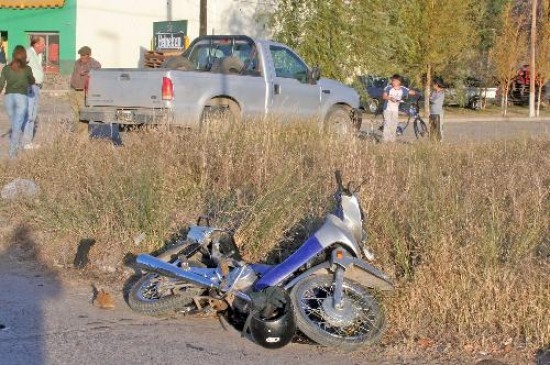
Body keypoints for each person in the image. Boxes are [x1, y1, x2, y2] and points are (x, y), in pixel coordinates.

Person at [0, 45, 35, 158]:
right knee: (17, 126)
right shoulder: (27, 69)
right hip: (21, 97)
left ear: (13, 55)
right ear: (24, 55)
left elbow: (1, 84)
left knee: (15, 124)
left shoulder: (6, 68)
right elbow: (32, 81)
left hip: (9, 98)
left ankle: (16, 147)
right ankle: (12, 154)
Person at [70, 46, 101, 128]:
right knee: (76, 113)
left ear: (89, 55)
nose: (82, 57)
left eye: (84, 55)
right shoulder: (77, 62)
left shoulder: (93, 63)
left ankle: (83, 138)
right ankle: (77, 134)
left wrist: (86, 70)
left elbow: (98, 67)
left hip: (83, 91)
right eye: (81, 55)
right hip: (73, 90)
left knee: (83, 115)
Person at [382, 74, 416, 143]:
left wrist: (415, 93)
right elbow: (384, 96)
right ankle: (385, 140)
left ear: (399, 82)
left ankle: (392, 140)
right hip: (387, 109)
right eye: (393, 80)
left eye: (395, 81)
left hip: (395, 110)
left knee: (394, 125)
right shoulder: (388, 88)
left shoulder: (402, 89)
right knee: (387, 124)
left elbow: (411, 92)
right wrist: (390, 98)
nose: (393, 82)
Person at [24, 36, 45, 150]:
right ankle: (26, 142)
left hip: (36, 87)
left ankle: (27, 141)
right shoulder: (29, 53)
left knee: (32, 113)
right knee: (29, 115)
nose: (44, 46)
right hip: (30, 86)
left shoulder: (38, 55)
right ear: (36, 44)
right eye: (42, 44)